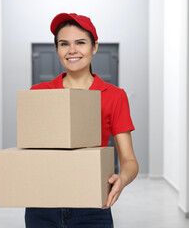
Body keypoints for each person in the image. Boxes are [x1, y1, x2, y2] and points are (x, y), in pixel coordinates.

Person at [25, 13, 139, 228]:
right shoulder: (39, 92)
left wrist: (122, 180)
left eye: (80, 43)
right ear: (57, 49)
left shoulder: (114, 95)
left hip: (92, 206)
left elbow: (129, 160)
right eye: (64, 44)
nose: (72, 50)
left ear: (94, 47)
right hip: (42, 205)